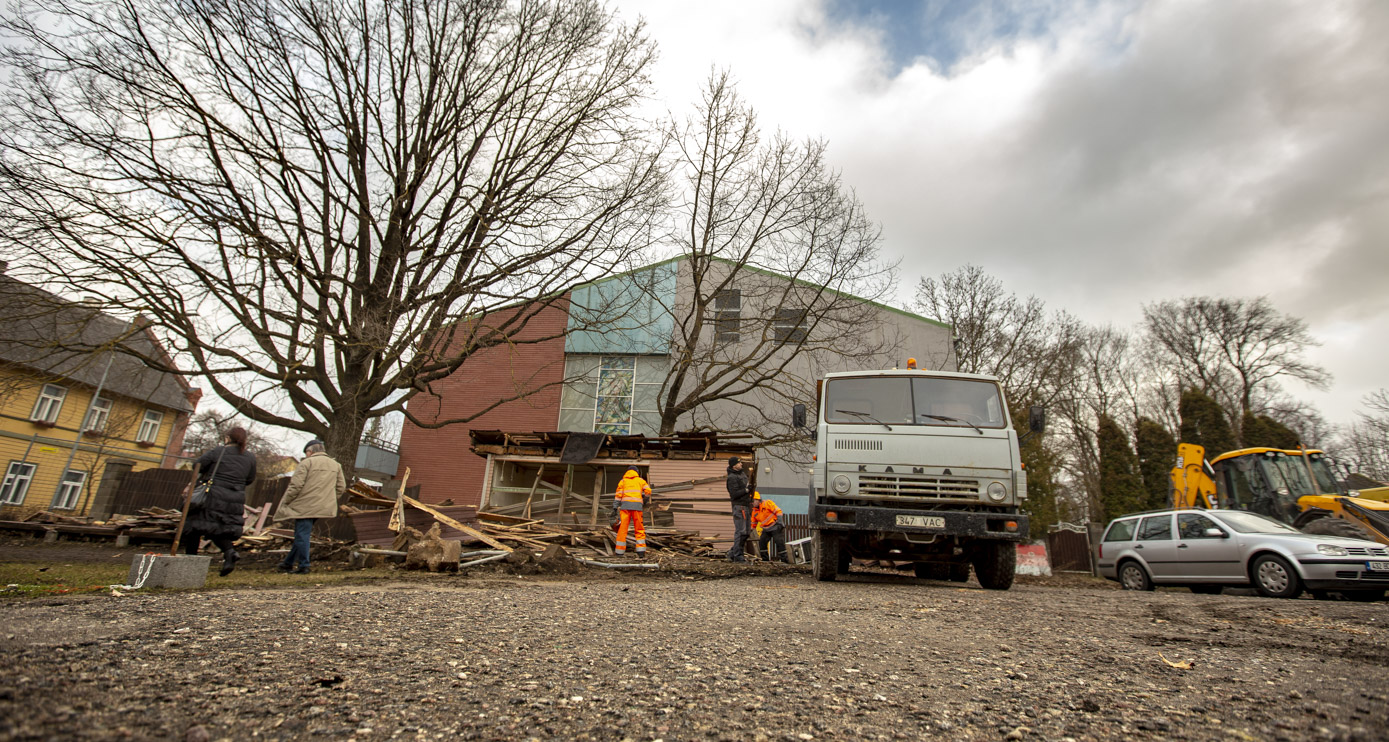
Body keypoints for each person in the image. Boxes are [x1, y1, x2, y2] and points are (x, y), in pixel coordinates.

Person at [181, 426, 257, 576]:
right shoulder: (250, 457)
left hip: (212, 497)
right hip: (234, 499)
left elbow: (197, 465)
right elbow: (250, 479)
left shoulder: (218, 451)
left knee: (194, 526)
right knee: (219, 528)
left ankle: (190, 564)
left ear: (228, 438)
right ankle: (230, 553)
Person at [274, 439, 347, 574]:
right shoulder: (336, 465)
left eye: (306, 452)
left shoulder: (306, 463)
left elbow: (296, 486)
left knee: (302, 535)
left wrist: (286, 501)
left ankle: (304, 565)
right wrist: (328, 500)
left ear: (310, 451)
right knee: (302, 534)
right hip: (322, 506)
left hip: (305, 505)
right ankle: (287, 563)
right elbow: (341, 487)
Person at [613, 466, 651, 559]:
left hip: (625, 508)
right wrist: (644, 500)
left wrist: (615, 506)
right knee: (639, 529)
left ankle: (619, 552)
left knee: (622, 530)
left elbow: (618, 496)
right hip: (637, 507)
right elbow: (648, 491)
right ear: (637, 472)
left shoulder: (623, 481)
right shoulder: (641, 481)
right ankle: (641, 552)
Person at [726, 456, 752, 562]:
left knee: (747, 532)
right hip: (739, 506)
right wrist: (746, 490)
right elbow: (734, 494)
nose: (741, 464)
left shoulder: (742, 474)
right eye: (739, 463)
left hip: (746, 505)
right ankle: (738, 555)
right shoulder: (732, 478)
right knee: (740, 531)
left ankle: (733, 552)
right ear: (734, 465)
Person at [751, 491, 789, 563]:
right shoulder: (754, 511)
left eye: (753, 501)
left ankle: (785, 560)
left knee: (779, 542)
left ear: (758, 500)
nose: (752, 503)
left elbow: (778, 511)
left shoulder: (767, 503)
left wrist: (780, 522)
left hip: (775, 526)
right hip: (766, 529)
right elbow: (753, 523)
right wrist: (749, 530)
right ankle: (765, 560)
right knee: (762, 543)